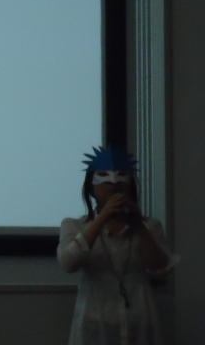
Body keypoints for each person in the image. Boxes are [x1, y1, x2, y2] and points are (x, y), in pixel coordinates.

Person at [57, 146, 180, 345]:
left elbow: (160, 267)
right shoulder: (74, 225)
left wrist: (138, 225)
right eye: (104, 179)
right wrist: (101, 218)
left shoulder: (150, 226)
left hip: (140, 323)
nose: (113, 185)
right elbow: (67, 262)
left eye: (121, 178)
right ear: (91, 187)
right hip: (95, 322)